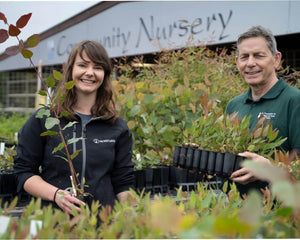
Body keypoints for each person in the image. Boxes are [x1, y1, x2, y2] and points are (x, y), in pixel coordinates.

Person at [14, 40, 135, 215]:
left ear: (105, 75)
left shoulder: (115, 125)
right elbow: (23, 172)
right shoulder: (46, 119)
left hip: (103, 225)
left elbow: (123, 181)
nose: (90, 73)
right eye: (83, 65)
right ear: (70, 70)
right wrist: (56, 195)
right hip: (56, 224)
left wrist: (132, 218)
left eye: (98, 67)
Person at [225, 26, 300, 195]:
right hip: (234, 210)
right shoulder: (234, 105)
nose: (250, 63)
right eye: (245, 57)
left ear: (276, 59)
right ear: (237, 62)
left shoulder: (294, 101)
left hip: (280, 215)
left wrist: (269, 168)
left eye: (258, 55)